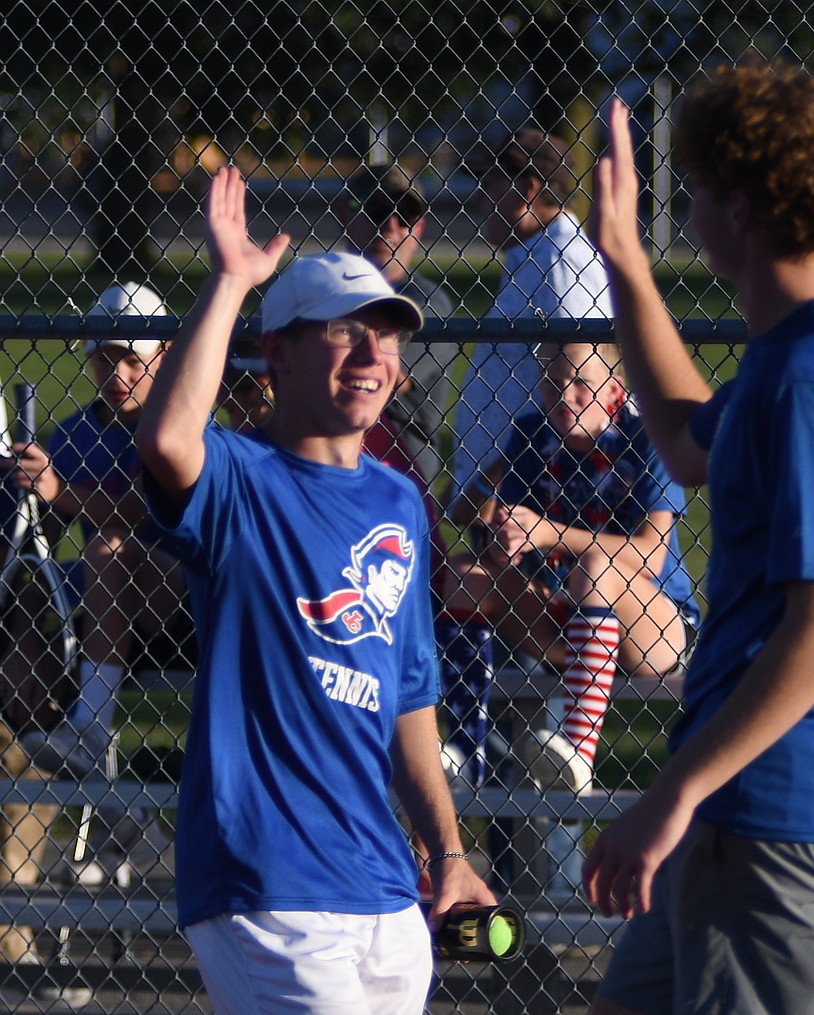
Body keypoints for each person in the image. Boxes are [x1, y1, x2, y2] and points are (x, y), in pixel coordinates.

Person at [581, 65, 814, 1015]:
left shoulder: (812, 376)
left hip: (770, 803)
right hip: (746, 799)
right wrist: (623, 261)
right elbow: (687, 441)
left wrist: (674, 792)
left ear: (741, 207)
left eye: (694, 190)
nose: (686, 210)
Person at [135, 166, 493, 1013]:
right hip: (267, 880)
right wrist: (229, 282)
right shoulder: (239, 476)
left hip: (383, 885)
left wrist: (448, 853)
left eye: (388, 336)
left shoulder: (401, 501)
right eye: (345, 333)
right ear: (281, 354)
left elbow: (408, 696)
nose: (374, 356)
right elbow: (166, 437)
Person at [442, 341, 698, 798]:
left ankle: (577, 755)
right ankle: (465, 753)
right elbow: (512, 536)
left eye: (582, 383)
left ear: (616, 389)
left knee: (596, 567)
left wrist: (549, 533)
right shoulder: (530, 435)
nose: (566, 395)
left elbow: (650, 554)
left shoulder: (646, 439)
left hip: (649, 628)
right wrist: (507, 541)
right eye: (554, 383)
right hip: (561, 617)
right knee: (465, 572)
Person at [9, 282, 189, 779]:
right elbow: (43, 531)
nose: (117, 374)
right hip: (101, 606)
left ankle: (89, 730)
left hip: (175, 602)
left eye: (132, 360)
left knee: (111, 549)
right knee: (23, 602)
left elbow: (138, 510)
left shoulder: (177, 421)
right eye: (104, 360)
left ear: (163, 355)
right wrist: (23, 485)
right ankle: (118, 819)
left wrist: (57, 487)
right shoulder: (72, 431)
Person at [449, 128, 612, 511]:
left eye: (489, 183)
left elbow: (578, 390)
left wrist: (489, 489)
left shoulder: (560, 261)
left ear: (528, 190)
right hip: (517, 493)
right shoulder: (533, 254)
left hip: (536, 499)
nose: (478, 198)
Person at [336, 163, 459, 487]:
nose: (391, 226)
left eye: (405, 215)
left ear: (418, 228)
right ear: (346, 215)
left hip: (395, 469)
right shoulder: (322, 289)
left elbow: (384, 374)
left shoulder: (429, 303)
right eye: (377, 211)